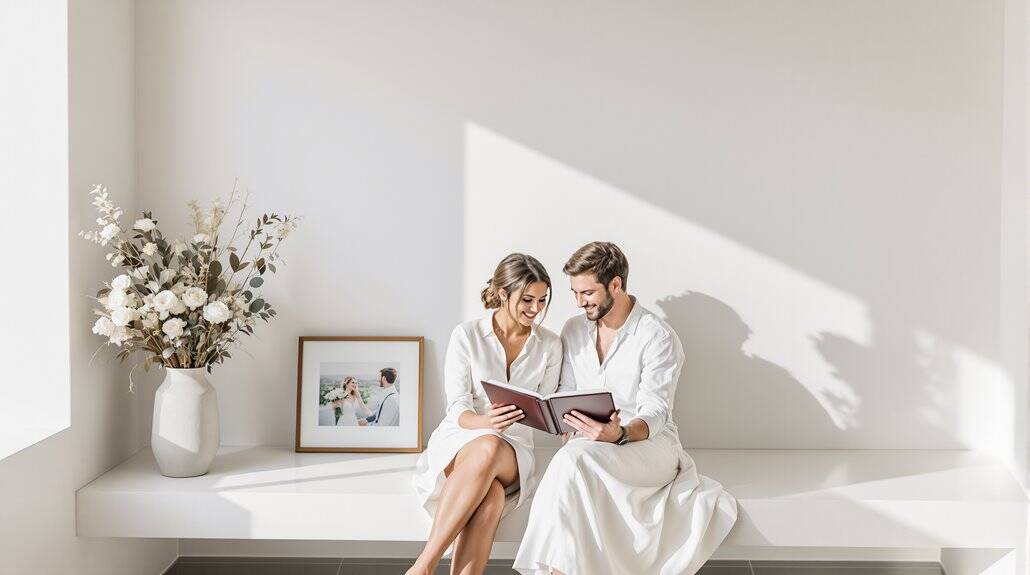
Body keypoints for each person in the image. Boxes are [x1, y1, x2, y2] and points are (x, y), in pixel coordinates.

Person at [512, 242, 738, 575]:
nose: (579, 302)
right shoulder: (574, 329)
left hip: (648, 447)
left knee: (571, 461)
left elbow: (656, 410)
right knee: (571, 461)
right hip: (588, 445)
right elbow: (566, 391)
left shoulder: (657, 337)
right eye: (574, 293)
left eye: (587, 293)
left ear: (615, 285)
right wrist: (558, 418)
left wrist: (620, 434)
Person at [409, 253, 562, 575]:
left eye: (542, 300)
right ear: (504, 294)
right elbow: (457, 406)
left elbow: (546, 405)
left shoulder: (549, 344)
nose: (535, 309)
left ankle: (423, 566)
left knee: (491, 446)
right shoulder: (467, 335)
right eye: (527, 300)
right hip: (461, 437)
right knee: (490, 498)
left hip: (513, 447)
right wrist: (484, 422)